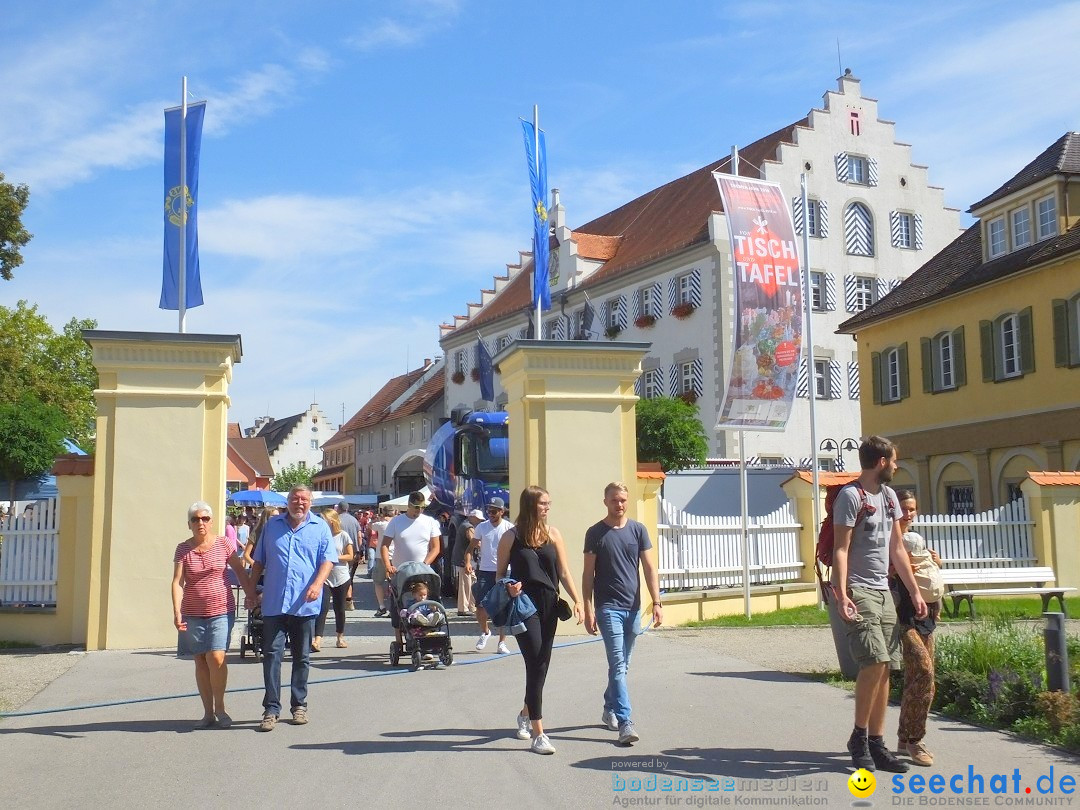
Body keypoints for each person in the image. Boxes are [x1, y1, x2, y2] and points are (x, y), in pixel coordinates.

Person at [833, 435, 927, 773]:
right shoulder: (850, 496)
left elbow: (897, 549)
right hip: (859, 590)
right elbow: (840, 549)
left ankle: (876, 742)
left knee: (886, 665)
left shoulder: (888, 498)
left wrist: (914, 591)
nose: (897, 465)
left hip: (885, 590)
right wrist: (842, 594)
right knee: (873, 662)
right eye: (895, 460)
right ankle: (858, 739)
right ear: (882, 462)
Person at [496, 485, 584, 755]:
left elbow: (565, 571)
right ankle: (539, 733)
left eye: (549, 503)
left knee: (542, 665)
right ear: (531, 505)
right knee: (535, 661)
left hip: (549, 603)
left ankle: (525, 712)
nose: (548, 507)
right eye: (544, 503)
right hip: (524, 605)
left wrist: (579, 600)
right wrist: (508, 587)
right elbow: (499, 576)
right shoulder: (510, 537)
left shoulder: (553, 534)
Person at [582, 482, 663, 746]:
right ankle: (626, 722)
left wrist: (657, 602)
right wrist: (587, 605)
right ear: (605, 501)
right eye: (615, 500)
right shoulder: (595, 533)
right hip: (608, 608)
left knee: (623, 665)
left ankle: (608, 708)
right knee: (618, 664)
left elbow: (650, 568)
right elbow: (588, 573)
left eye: (623, 500)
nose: (620, 504)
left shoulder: (638, 530)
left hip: (633, 608)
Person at [250, 486, 336, 732]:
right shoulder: (272, 526)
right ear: (287, 501)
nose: (299, 503)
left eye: (304, 499)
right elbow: (258, 561)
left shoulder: (320, 528)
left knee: (302, 657)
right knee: (272, 656)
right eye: (295, 499)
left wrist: (318, 584)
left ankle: (299, 705)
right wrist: (250, 591)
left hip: (305, 604)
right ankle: (271, 709)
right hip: (274, 602)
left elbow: (327, 560)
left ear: (310, 502)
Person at [171, 501, 255, 728]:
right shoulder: (183, 549)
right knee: (200, 660)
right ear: (189, 524)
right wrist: (177, 611)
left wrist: (251, 595)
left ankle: (221, 707)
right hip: (192, 612)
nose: (201, 523)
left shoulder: (224, 544)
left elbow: (239, 570)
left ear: (211, 521)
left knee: (216, 657)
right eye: (196, 519)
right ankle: (208, 713)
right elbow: (178, 582)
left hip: (221, 609)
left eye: (205, 518)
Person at [891, 490, 940, 767]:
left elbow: (929, 577)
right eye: (903, 509)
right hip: (901, 617)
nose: (908, 514)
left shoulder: (916, 541)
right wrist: (897, 566)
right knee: (924, 672)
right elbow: (883, 572)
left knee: (917, 678)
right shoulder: (887, 539)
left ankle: (903, 734)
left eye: (912, 509)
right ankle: (915, 740)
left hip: (925, 616)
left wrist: (934, 562)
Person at [380, 490, 441, 648]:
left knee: (425, 602)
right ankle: (399, 639)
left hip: (422, 570)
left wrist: (425, 563)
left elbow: (435, 547)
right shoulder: (396, 522)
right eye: (415, 507)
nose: (418, 511)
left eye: (421, 508)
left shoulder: (430, 522)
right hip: (400, 571)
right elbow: (385, 546)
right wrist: (388, 565)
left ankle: (427, 637)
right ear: (408, 505)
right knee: (398, 602)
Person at [470, 497, 513, 654]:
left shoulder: (509, 527)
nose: (491, 514)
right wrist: (468, 562)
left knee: (502, 607)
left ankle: (502, 642)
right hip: (485, 570)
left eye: (494, 511)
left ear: (502, 511)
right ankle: (485, 631)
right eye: (489, 511)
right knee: (480, 607)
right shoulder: (482, 527)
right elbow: (470, 547)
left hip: (504, 570)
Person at [313, 508, 355, 652]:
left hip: (341, 576)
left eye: (323, 520)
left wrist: (334, 558)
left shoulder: (343, 535)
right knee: (322, 608)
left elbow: (350, 556)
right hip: (324, 576)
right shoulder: (321, 535)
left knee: (339, 608)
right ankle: (317, 639)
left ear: (331, 521)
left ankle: (340, 637)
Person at [454, 510, 484, 617]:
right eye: (478, 519)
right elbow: (475, 543)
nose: (480, 521)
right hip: (464, 560)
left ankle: (470, 607)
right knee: (465, 583)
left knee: (469, 582)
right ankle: (463, 608)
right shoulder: (468, 527)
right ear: (472, 517)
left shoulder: (465, 525)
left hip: (465, 559)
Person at [336, 501, 361, 610]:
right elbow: (359, 536)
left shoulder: (337, 520)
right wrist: (359, 550)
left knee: (341, 575)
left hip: (340, 552)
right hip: (354, 552)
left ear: (339, 509)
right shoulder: (354, 520)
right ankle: (349, 599)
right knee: (349, 576)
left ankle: (344, 599)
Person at [369, 507, 392, 616]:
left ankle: (382, 606)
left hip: (381, 555)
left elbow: (370, 526)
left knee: (378, 582)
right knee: (394, 583)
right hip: (395, 556)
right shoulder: (397, 523)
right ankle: (394, 608)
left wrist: (377, 518)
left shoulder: (380, 524)